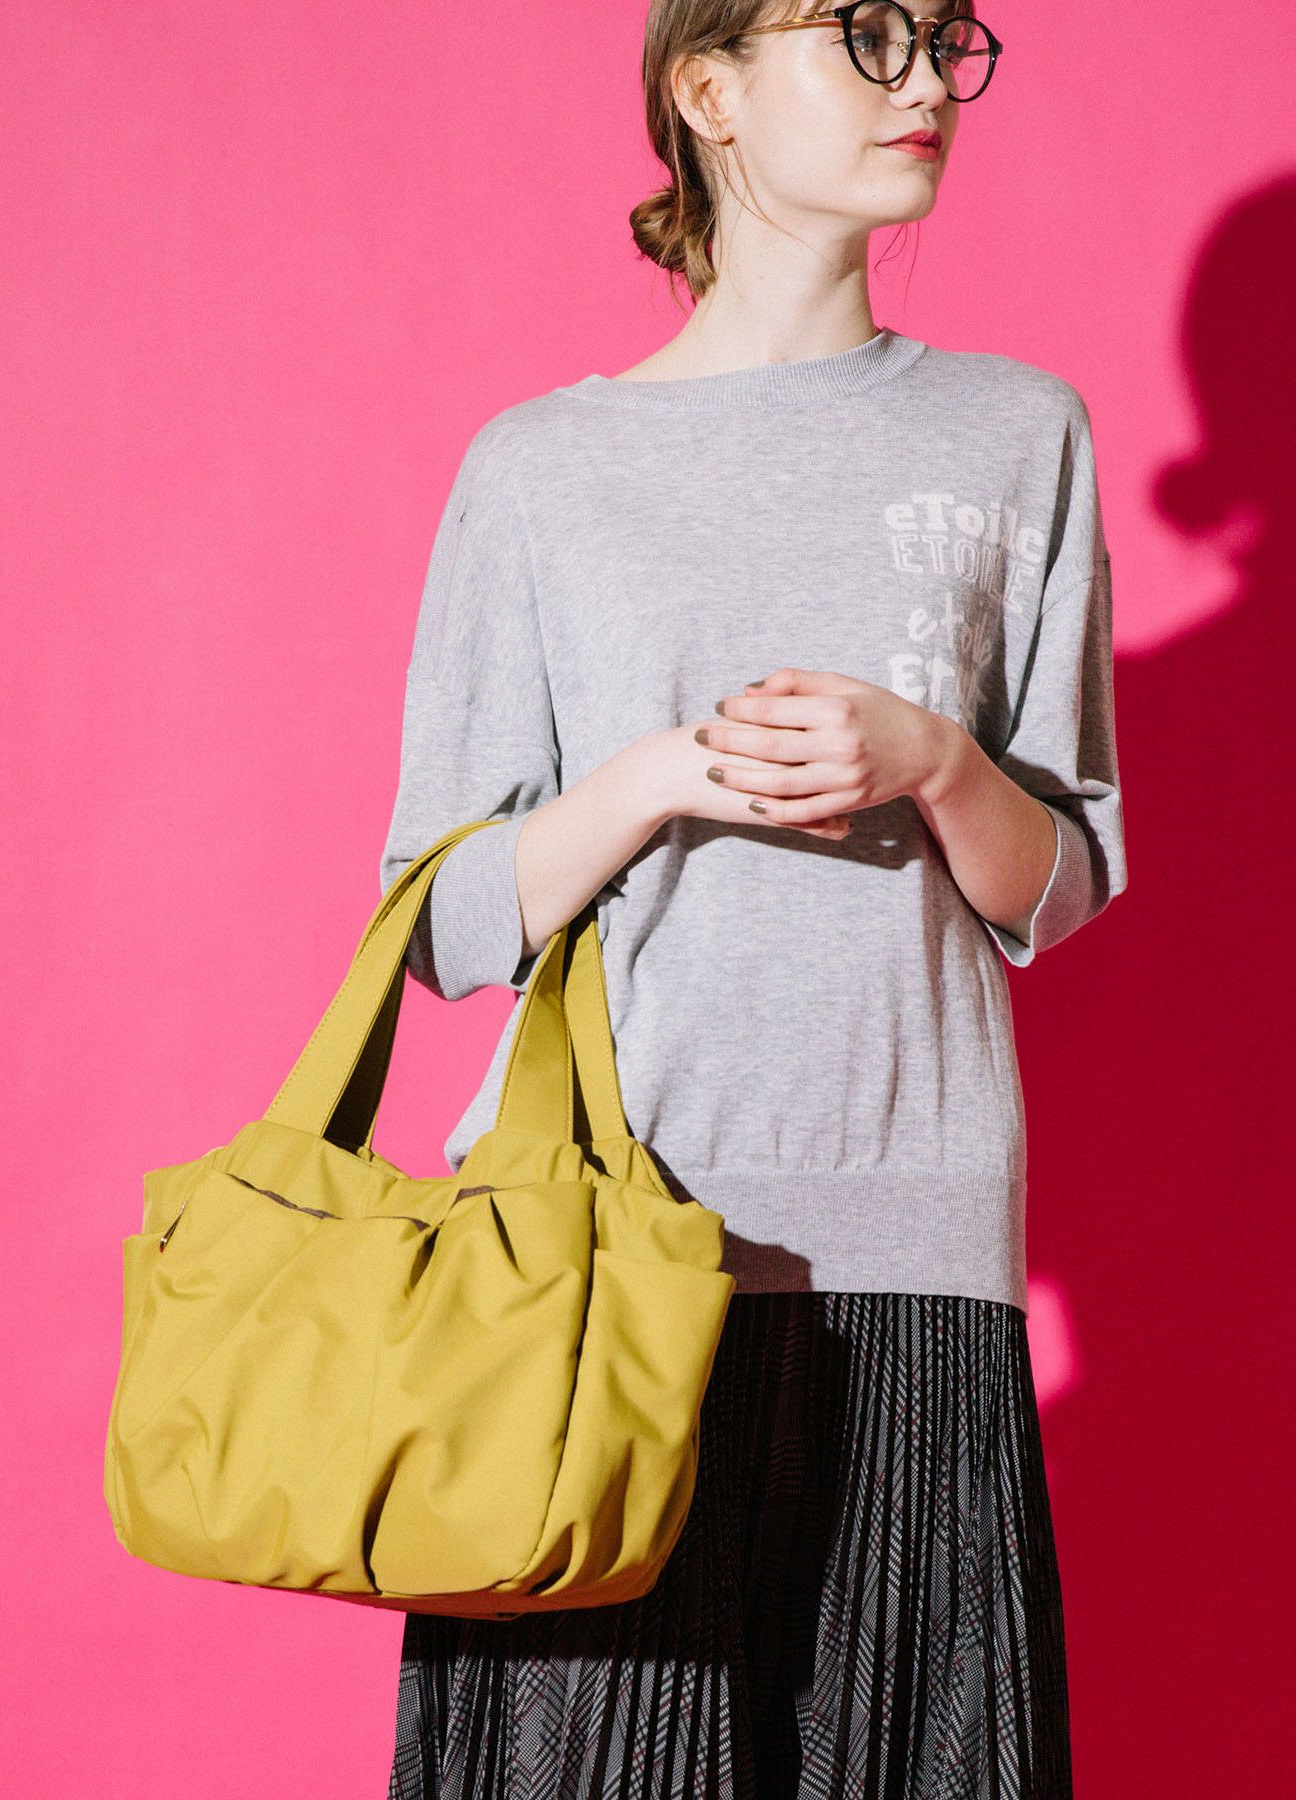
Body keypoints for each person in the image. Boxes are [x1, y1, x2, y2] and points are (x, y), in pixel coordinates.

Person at [379, 2, 1125, 1794]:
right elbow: (441, 922)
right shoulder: (540, 469)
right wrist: (654, 774)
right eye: (867, 34)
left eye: (947, 37)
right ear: (708, 89)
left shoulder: (1019, 433)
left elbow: (1065, 882)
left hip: (919, 1252)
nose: (927, 80)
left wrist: (936, 759)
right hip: (604, 1264)